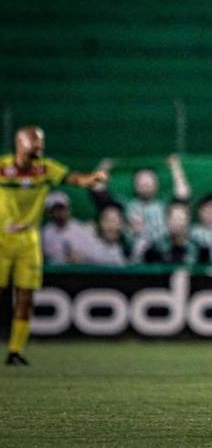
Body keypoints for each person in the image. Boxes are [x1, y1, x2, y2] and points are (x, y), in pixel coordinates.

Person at [0, 126, 107, 365]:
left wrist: (92, 179)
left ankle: (16, 350)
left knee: (26, 297)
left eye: (41, 142)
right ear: (20, 142)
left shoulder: (45, 169)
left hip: (29, 242)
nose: (39, 146)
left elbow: (73, 178)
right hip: (1, 240)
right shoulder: (2, 167)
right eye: (34, 142)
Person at [41, 191, 92, 264]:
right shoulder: (45, 233)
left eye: (62, 208)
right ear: (49, 213)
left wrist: (81, 258)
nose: (60, 213)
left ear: (68, 209)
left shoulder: (82, 229)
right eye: (56, 209)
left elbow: (93, 257)